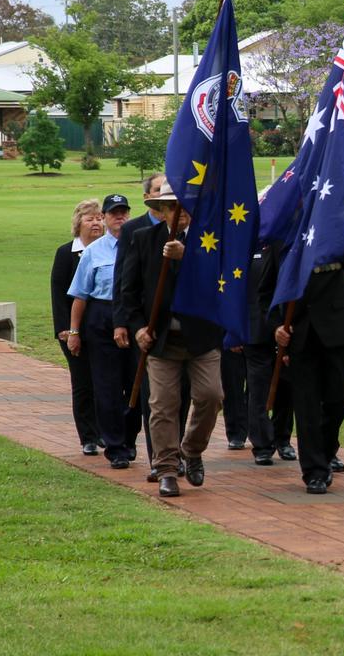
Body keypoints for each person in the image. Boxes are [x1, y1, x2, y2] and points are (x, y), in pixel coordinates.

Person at [117, 183, 224, 498]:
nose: (181, 212)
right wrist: (136, 327)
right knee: (163, 405)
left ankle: (191, 449)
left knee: (211, 395)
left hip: (202, 336)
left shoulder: (209, 242)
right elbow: (129, 292)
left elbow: (221, 282)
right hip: (161, 339)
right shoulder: (142, 239)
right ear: (160, 211)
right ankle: (165, 469)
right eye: (172, 206)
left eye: (186, 206)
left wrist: (188, 255)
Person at [273, 245, 344, 495]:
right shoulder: (290, 251)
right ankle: (314, 472)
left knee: (339, 400)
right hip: (302, 335)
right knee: (306, 408)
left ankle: (326, 451)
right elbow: (266, 293)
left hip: (341, 334)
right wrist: (276, 327)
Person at [112, 173, 188, 482]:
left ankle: (180, 451)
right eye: (159, 192)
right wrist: (125, 323)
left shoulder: (195, 236)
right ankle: (160, 457)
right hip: (149, 327)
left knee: (184, 395)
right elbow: (124, 281)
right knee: (154, 397)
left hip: (187, 330)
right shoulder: (135, 231)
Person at [66, 193, 139, 469]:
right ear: (105, 218)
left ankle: (129, 437)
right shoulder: (94, 252)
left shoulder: (139, 244)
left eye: (123, 213)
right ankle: (115, 446)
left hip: (133, 317)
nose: (119, 217)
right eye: (113, 213)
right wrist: (74, 332)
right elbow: (80, 295)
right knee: (107, 385)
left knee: (137, 383)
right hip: (102, 315)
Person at [51, 199, 104, 455]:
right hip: (74, 330)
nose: (96, 223)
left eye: (99, 218)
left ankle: (105, 430)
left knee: (105, 381)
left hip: (103, 327)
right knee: (83, 382)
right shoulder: (66, 253)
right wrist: (65, 328)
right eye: (90, 218)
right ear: (78, 223)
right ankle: (88, 436)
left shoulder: (112, 249)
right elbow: (59, 292)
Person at [244, 240, 295, 466]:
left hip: (287, 325)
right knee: (258, 387)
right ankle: (262, 443)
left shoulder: (291, 241)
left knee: (287, 386)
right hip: (256, 327)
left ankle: (283, 438)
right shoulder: (247, 240)